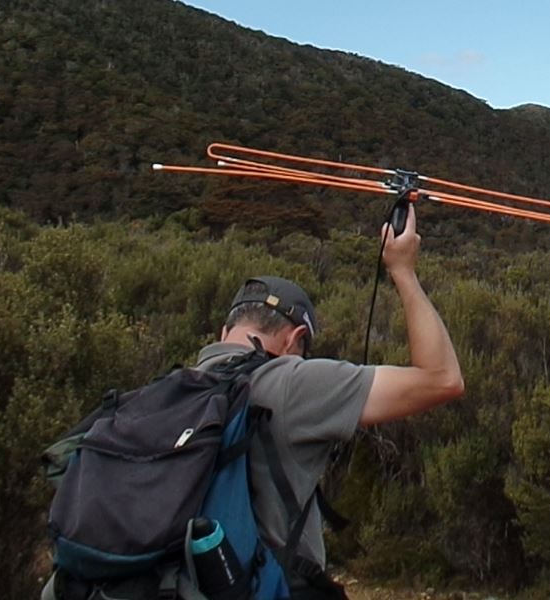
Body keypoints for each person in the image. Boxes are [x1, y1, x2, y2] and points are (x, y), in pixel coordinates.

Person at [194, 205, 464, 598]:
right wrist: (403, 271)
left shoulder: (178, 387)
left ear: (224, 331)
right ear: (294, 339)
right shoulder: (293, 382)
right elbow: (443, 379)